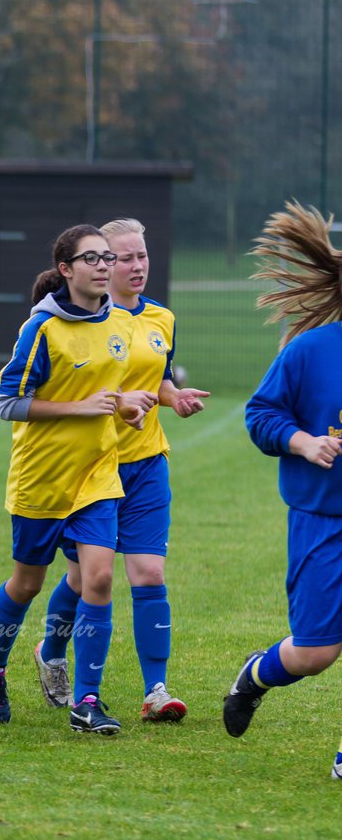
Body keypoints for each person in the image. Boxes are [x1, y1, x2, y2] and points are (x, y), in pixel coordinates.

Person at [33, 218, 210, 723]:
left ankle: (156, 690)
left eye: (142, 256)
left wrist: (174, 398)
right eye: (124, 257)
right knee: (85, 577)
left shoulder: (162, 319)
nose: (136, 266)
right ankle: (53, 654)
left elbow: (156, 379)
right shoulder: (82, 324)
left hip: (148, 462)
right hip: (94, 465)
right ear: (101, 264)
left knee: (149, 572)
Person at [0, 224, 148, 735]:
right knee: (27, 584)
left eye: (106, 257)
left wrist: (125, 406)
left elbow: (107, 392)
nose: (102, 265)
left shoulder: (119, 324)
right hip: (41, 480)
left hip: (97, 476)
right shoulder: (42, 330)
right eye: (90, 258)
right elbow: (9, 402)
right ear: (66, 270)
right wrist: (81, 408)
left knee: (97, 577)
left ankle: (87, 701)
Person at [224, 200, 342, 780]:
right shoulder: (310, 351)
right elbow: (260, 415)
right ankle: (254, 676)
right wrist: (303, 443)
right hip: (323, 517)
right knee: (317, 652)